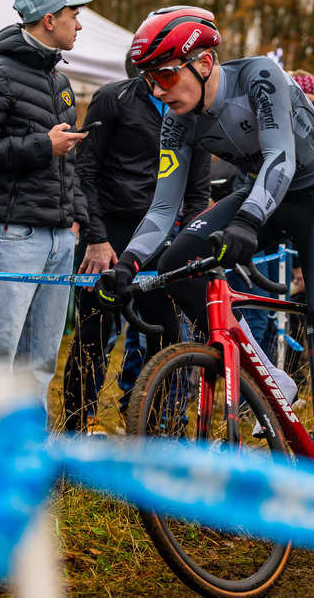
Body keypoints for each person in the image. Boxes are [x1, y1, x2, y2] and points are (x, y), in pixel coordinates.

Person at [99, 7, 314, 484]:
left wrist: (249, 221)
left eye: (166, 75)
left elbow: (280, 156)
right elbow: (162, 208)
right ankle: (273, 377)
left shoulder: (259, 76)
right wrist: (128, 264)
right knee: (177, 262)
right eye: (150, 78)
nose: (158, 89)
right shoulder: (178, 120)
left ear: (204, 63)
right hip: (260, 193)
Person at [0, 0, 95, 468]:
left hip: (58, 238)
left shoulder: (59, 79)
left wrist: (76, 220)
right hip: (11, 233)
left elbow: (67, 163)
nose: (80, 22)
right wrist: (43, 146)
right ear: (49, 19)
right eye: (74, 14)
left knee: (40, 358)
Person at [62, 53, 210, 436]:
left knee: (169, 334)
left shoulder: (197, 107)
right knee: (95, 334)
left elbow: (198, 191)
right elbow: (85, 170)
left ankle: (153, 428)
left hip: (162, 242)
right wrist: (96, 237)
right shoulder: (113, 98)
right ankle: (77, 429)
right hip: (111, 234)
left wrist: (191, 240)